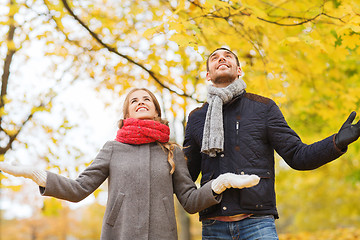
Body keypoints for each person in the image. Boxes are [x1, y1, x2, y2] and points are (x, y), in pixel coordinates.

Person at [0, 87, 261, 240]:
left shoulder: (171, 149)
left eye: (146, 99)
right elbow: (79, 189)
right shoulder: (112, 148)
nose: (140, 102)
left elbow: (190, 201)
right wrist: (37, 175)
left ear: (156, 111)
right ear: (126, 114)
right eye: (133, 101)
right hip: (119, 234)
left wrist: (220, 183)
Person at [183, 48, 360, 240]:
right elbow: (185, 176)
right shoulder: (196, 118)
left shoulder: (263, 108)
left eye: (228, 56)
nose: (221, 59)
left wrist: (336, 143)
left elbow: (297, 155)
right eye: (214, 58)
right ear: (208, 75)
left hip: (257, 224)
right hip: (213, 227)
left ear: (239, 70)